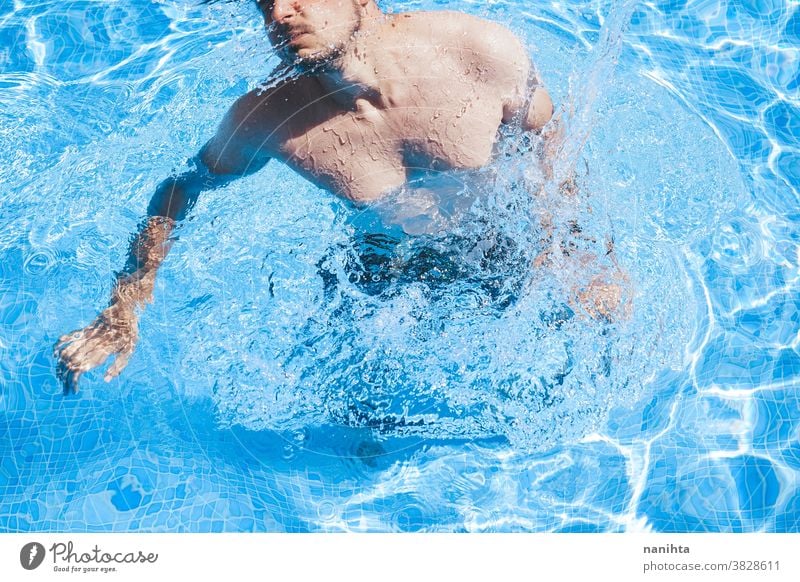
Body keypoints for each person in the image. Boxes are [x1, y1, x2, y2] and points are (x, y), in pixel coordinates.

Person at [52, 0, 584, 393]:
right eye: (265, 4)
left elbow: (548, 143)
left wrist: (580, 256)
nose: (281, 13)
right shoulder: (265, 118)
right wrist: (123, 306)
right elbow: (178, 191)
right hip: (380, 266)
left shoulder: (478, 53)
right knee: (355, 407)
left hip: (499, 241)